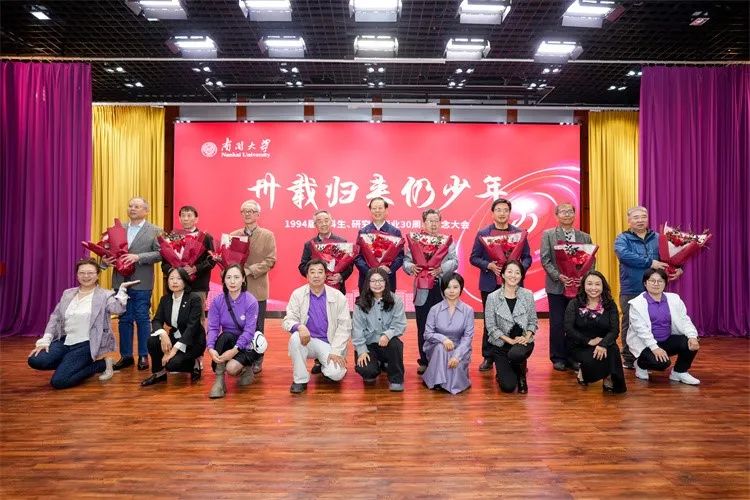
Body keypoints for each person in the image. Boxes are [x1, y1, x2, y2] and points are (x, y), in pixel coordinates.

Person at [28, 259, 139, 389]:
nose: (86, 276)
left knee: (59, 382)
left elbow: (118, 310)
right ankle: (70, 364)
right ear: (77, 275)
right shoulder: (68, 293)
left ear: (97, 275)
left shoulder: (105, 295)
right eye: (82, 273)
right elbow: (55, 317)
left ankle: (101, 365)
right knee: (35, 360)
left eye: (90, 273)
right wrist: (45, 340)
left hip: (86, 344)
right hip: (65, 341)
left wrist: (122, 291)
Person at [614, 206, 681, 369]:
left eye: (643, 216)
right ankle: (629, 358)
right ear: (629, 221)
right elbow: (625, 255)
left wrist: (678, 268)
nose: (640, 220)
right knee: (629, 322)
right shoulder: (622, 238)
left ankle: (651, 355)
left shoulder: (658, 237)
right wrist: (650, 262)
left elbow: (671, 256)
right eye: (636, 217)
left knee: (654, 321)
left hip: (655, 288)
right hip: (631, 287)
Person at [470, 198, 532, 372]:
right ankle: (488, 356)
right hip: (490, 284)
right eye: (498, 210)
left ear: (509, 213)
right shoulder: (483, 233)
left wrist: (518, 269)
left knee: (517, 320)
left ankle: (517, 356)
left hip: (514, 285)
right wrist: (488, 265)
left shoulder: (519, 233)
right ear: (493, 213)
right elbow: (474, 258)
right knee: (490, 321)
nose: (502, 213)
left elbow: (527, 257)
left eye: (505, 210)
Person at [103, 197, 162, 372]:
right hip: (120, 281)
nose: (132, 209)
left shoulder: (155, 230)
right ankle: (126, 356)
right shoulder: (117, 229)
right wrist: (106, 260)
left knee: (142, 318)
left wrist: (138, 257)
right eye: (130, 206)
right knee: (124, 319)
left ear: (146, 211)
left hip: (142, 281)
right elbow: (108, 251)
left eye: (137, 206)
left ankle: (144, 355)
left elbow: (161, 254)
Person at [283, 259, 352, 394]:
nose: (316, 275)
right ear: (307, 275)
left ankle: (324, 364)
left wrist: (336, 351)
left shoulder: (338, 296)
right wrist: (299, 327)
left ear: (326, 275)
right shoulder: (298, 294)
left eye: (320, 272)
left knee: (336, 374)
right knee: (295, 338)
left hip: (330, 343)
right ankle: (300, 380)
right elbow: (288, 320)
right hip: (308, 341)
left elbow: (345, 327)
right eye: (312, 272)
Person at [403, 208, 458, 374]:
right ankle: (425, 361)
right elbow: (406, 261)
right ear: (424, 223)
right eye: (430, 221)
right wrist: (411, 267)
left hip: (442, 289)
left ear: (440, 223)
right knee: (423, 326)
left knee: (443, 326)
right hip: (422, 290)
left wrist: (441, 269)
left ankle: (442, 359)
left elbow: (455, 261)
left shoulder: (447, 241)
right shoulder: (416, 240)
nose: (433, 224)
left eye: (436, 221)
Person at [540, 202, 594, 371]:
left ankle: (574, 357)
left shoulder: (584, 237)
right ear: (557, 216)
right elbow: (545, 259)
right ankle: (558, 357)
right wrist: (559, 276)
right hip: (556, 287)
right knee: (557, 324)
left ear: (574, 214)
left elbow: (591, 261)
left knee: (576, 323)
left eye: (570, 211)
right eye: (563, 212)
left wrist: (583, 279)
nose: (567, 214)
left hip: (578, 287)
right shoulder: (548, 235)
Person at [626, 268, 701, 385]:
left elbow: (684, 319)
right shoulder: (636, 304)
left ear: (665, 283)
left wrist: (692, 336)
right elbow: (641, 331)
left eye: (660, 281)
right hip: (645, 343)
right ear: (645, 283)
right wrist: (655, 348)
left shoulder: (674, 299)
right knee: (662, 364)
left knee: (690, 342)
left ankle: (679, 371)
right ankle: (640, 364)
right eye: (652, 281)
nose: (656, 284)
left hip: (666, 339)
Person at [230, 199, 276, 375]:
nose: (247, 214)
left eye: (251, 211)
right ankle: (240, 358)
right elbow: (229, 259)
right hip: (237, 289)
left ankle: (257, 359)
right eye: (244, 211)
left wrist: (250, 270)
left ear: (258, 214)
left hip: (258, 288)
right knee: (238, 325)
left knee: (257, 327)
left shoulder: (267, 235)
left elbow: (270, 260)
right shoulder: (234, 235)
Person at [141, 267, 206, 386]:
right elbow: (156, 320)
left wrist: (173, 351)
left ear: (185, 281)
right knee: (152, 340)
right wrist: (163, 334)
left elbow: (192, 327)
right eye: (171, 278)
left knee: (172, 365)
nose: (174, 282)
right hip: (175, 336)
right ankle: (159, 373)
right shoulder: (165, 299)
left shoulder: (194, 299)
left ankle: (194, 363)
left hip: (193, 340)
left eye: (179, 278)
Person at [564, 271, 626, 393]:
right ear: (583, 285)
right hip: (579, 344)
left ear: (603, 286)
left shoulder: (610, 304)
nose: (593, 288)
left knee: (613, 350)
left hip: (603, 342)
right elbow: (568, 328)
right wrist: (589, 341)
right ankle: (584, 372)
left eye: (597, 284)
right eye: (589, 284)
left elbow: (614, 330)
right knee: (593, 359)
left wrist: (603, 344)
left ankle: (608, 377)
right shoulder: (574, 303)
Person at [206, 264, 261, 399]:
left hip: (247, 345)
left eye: (236, 277)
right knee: (224, 336)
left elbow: (249, 331)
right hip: (229, 340)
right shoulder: (218, 301)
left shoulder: (251, 301)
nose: (232, 281)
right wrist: (211, 348)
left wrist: (235, 350)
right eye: (228, 277)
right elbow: (213, 328)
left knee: (231, 368)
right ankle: (219, 380)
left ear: (243, 279)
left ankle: (246, 368)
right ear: (224, 280)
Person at [484, 260, 537, 394]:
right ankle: (505, 370)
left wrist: (526, 337)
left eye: (517, 273)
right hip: (501, 345)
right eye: (509, 272)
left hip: (522, 342)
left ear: (521, 276)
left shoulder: (528, 295)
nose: (513, 275)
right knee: (508, 387)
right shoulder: (492, 297)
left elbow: (533, 322)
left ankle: (521, 376)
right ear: (502, 274)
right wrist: (510, 341)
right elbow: (491, 327)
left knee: (516, 353)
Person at [352, 268, 407, 392]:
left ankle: (396, 379)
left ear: (386, 282)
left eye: (381, 280)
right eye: (373, 281)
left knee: (396, 344)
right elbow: (357, 330)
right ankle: (376, 365)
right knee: (368, 373)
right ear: (368, 283)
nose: (377, 284)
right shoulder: (360, 303)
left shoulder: (396, 300)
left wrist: (387, 335)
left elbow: (400, 324)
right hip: (369, 344)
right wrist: (361, 351)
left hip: (387, 342)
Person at [421, 273, 474, 394]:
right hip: (435, 346)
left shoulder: (468, 310)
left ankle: (438, 380)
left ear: (461, 288)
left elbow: (467, 338)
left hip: (459, 347)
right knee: (441, 348)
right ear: (443, 289)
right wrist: (443, 339)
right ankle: (438, 381)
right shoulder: (434, 309)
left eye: (455, 287)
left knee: (453, 357)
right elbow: (427, 334)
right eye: (448, 287)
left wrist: (457, 355)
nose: (451, 291)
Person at [164, 205, 215, 323]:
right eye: (183, 216)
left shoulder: (205, 237)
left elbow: (212, 260)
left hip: (198, 286)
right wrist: (173, 272)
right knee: (177, 318)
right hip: (177, 285)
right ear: (179, 218)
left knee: (197, 320)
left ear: (196, 219)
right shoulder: (173, 237)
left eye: (189, 215)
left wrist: (195, 268)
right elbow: (165, 262)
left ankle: (198, 336)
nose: (185, 218)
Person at [354, 197, 404, 293]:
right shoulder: (363, 232)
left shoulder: (395, 232)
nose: (377, 211)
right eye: (374, 208)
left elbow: (400, 256)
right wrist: (369, 271)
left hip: (388, 280)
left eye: (380, 208)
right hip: (366, 280)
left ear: (386, 210)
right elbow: (357, 256)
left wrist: (389, 269)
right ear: (370, 210)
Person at [298, 209, 353, 294]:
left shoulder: (342, 242)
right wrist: (315, 274)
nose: (323, 224)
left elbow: (349, 266)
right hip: (316, 289)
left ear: (331, 222)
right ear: (315, 225)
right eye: (319, 221)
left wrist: (341, 276)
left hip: (337, 289)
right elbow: (302, 266)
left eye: (326, 220)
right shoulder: (310, 245)